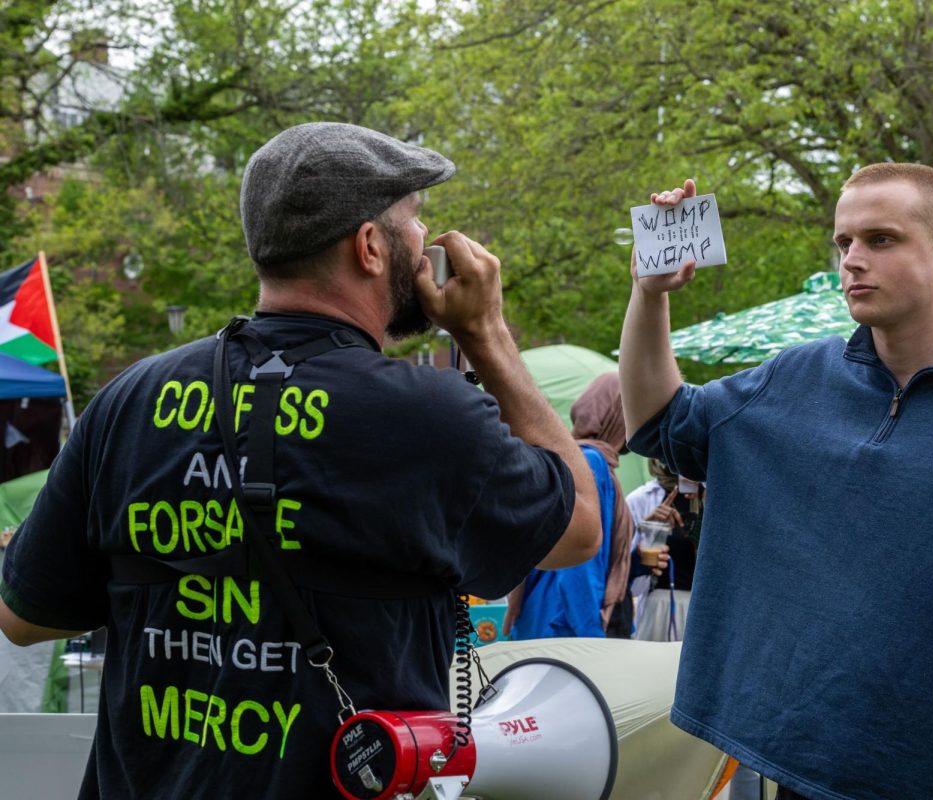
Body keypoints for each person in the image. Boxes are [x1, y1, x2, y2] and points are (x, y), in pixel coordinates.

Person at [0, 122, 601, 799]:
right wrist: (486, 334)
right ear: (369, 247)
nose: (426, 242)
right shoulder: (428, 417)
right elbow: (580, 524)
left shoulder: (127, 401)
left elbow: (24, 616)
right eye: (415, 221)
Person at [618, 165, 933, 800]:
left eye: (880, 240)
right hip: (802, 772)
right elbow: (660, 422)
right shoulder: (793, 379)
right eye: (844, 242)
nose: (853, 260)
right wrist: (649, 294)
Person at [503, 372, 637, 639]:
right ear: (617, 415)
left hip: (541, 618)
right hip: (566, 628)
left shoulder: (568, 457)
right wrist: (592, 637)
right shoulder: (591, 464)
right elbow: (580, 561)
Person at [626, 459, 703, 641]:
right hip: (658, 611)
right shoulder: (641, 499)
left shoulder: (717, 498)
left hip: (703, 611)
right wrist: (650, 530)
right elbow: (629, 584)